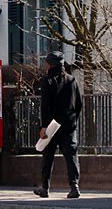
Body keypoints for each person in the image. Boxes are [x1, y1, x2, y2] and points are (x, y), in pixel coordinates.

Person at [34, 50, 83, 199]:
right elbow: (79, 104)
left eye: (46, 63)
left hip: (51, 126)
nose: (45, 66)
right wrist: (73, 120)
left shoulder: (47, 81)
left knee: (48, 156)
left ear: (50, 65)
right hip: (68, 125)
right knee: (71, 156)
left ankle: (45, 187)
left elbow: (45, 106)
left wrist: (44, 126)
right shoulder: (71, 80)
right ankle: (74, 186)